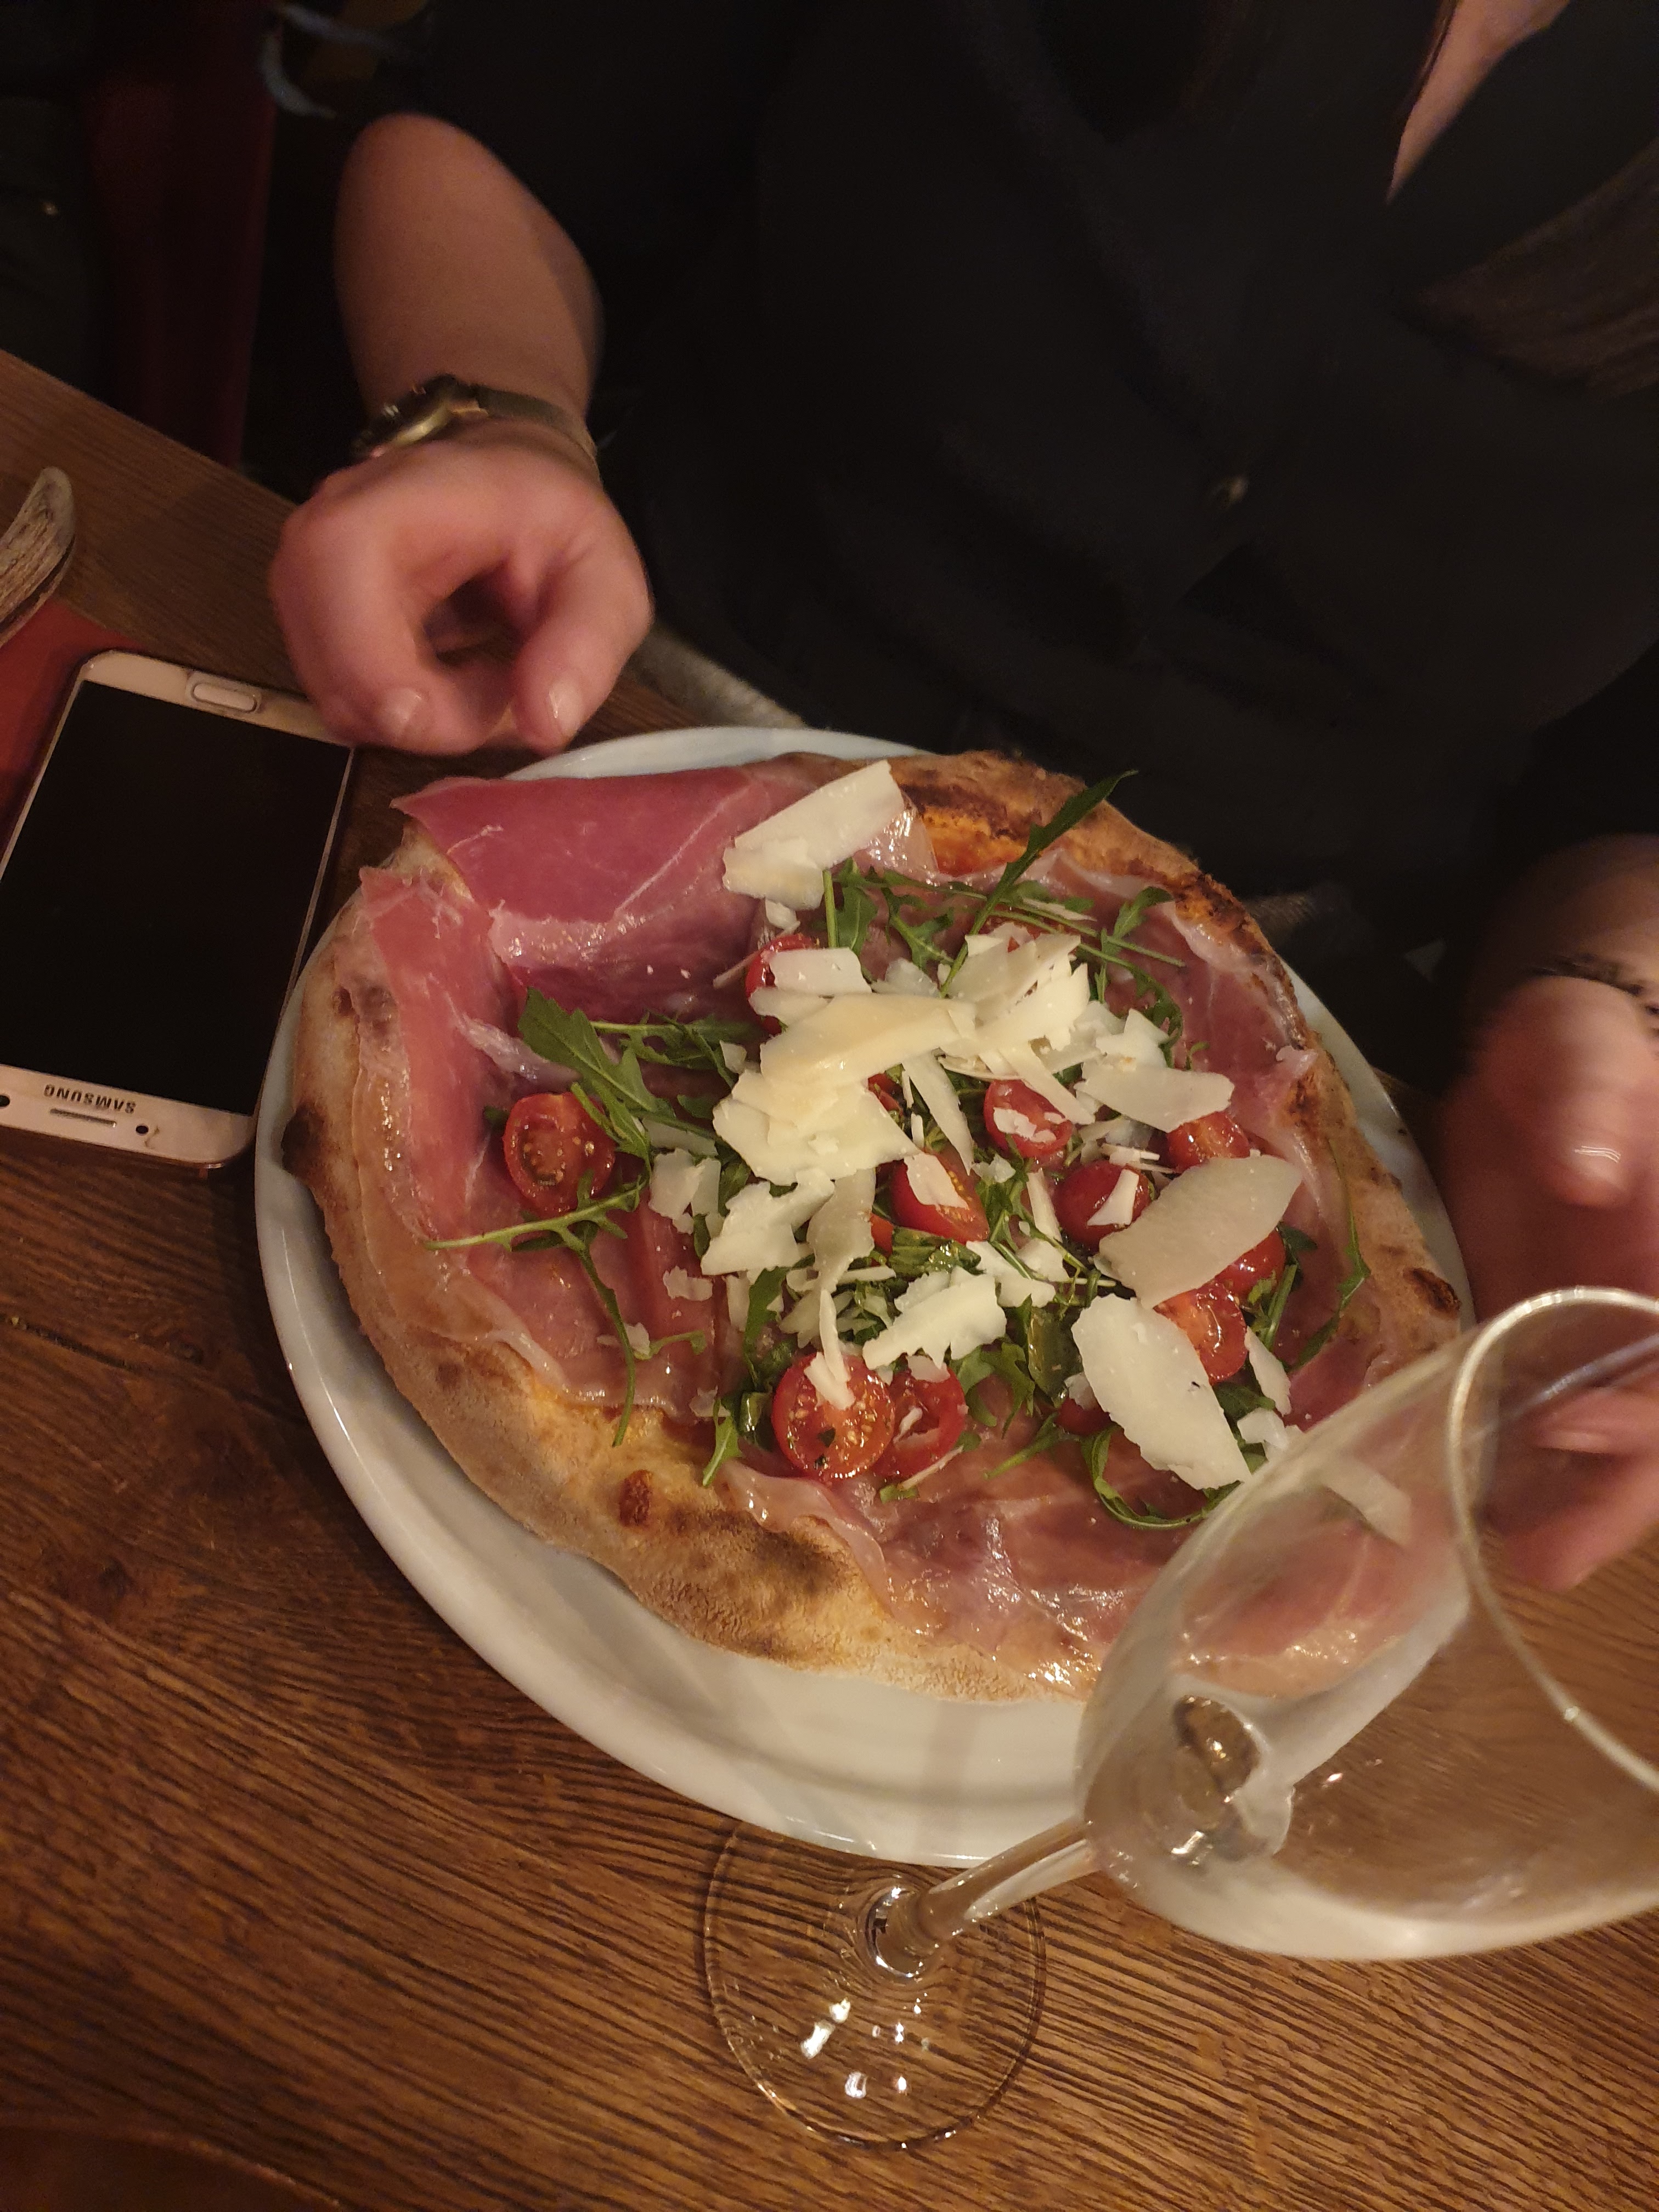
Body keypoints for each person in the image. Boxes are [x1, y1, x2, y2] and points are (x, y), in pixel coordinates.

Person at [268, 0, 1659, 1564]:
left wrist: (1612, 995)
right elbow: (508, 130)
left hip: (1269, 1032)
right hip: (625, 717)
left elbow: (1626, 783)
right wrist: (502, 424)